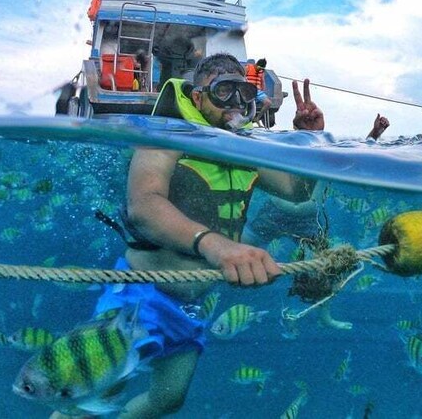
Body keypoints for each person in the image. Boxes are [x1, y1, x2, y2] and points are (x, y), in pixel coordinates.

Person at [52, 53, 324, 419]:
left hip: (190, 305)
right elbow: (144, 206)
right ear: (196, 98)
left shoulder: (247, 147)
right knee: (91, 395)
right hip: (140, 297)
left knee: (169, 399)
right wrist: (218, 247)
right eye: (223, 92)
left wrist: (312, 139)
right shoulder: (166, 135)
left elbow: (297, 192)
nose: (236, 105)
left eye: (243, 93)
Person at [245, 58, 272, 126]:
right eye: (259, 68)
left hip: (258, 91)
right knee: (248, 103)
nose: (260, 70)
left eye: (262, 69)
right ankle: (246, 119)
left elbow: (262, 81)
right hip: (248, 89)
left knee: (268, 103)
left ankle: (257, 118)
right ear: (257, 65)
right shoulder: (248, 67)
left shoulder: (262, 71)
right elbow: (243, 77)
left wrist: (263, 91)